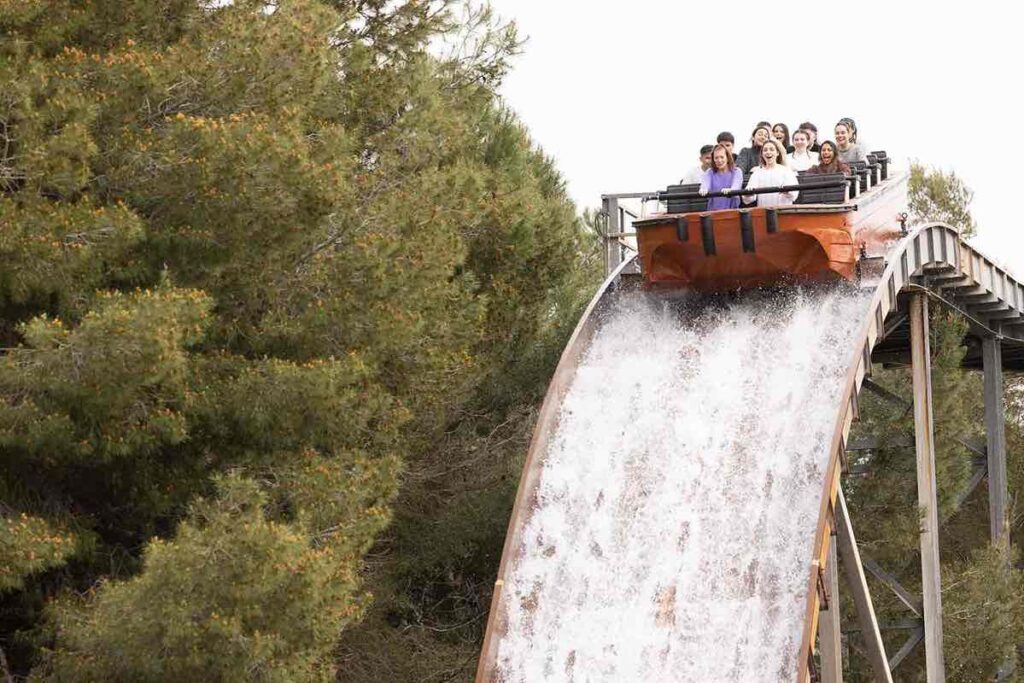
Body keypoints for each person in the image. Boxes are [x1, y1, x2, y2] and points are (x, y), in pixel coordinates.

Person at [742, 139, 798, 207]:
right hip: (764, 212)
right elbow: (748, 199)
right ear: (762, 154)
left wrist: (787, 191)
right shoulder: (757, 173)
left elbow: (794, 195)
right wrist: (748, 194)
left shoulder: (786, 171)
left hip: (783, 212)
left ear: (777, 153)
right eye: (765, 150)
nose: (768, 152)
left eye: (771, 149)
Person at [698, 144, 743, 210]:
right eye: (716, 158)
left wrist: (730, 191)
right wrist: (703, 189)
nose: (719, 160)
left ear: (727, 157)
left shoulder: (737, 171)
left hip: (732, 211)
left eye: (722, 157)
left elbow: (736, 186)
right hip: (714, 212)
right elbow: (705, 184)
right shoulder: (710, 172)